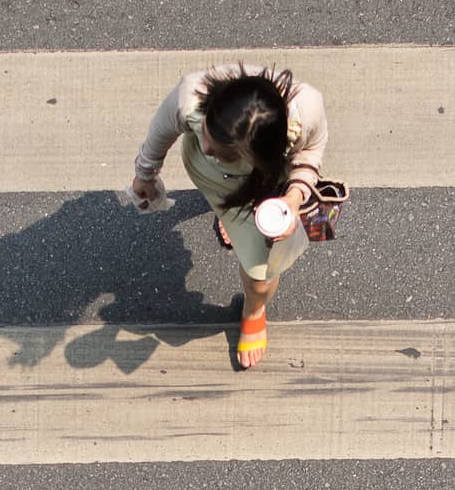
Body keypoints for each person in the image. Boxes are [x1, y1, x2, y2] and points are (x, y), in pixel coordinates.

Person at [130, 62, 329, 368]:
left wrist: (292, 197)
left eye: (223, 153)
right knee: (226, 207)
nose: (205, 147)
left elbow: (310, 155)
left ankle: (254, 310)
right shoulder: (190, 95)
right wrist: (145, 173)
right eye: (206, 132)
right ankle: (230, 217)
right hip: (211, 180)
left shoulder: (307, 109)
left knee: (262, 274)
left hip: (266, 187)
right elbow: (161, 131)